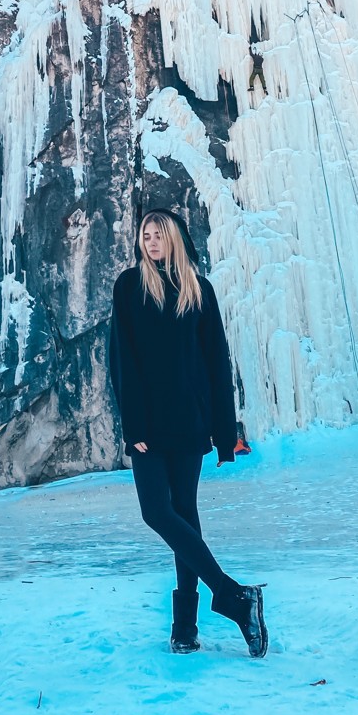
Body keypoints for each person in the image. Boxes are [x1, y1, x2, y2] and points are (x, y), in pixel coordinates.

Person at [109, 209, 268, 658]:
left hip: (189, 422)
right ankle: (235, 597)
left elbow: (217, 363)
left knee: (185, 516)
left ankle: (184, 627)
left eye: (159, 234)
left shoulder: (199, 290)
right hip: (149, 427)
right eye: (146, 234)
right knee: (157, 512)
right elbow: (123, 360)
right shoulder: (130, 286)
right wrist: (134, 424)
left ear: (175, 238)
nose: (151, 240)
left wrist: (223, 433)